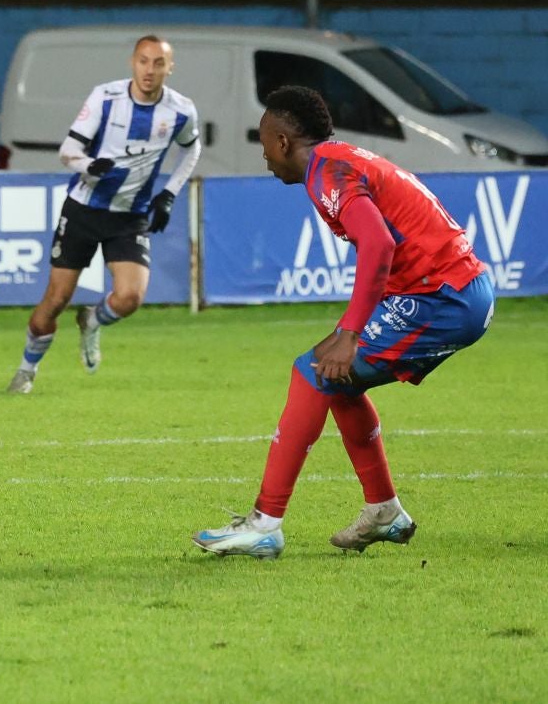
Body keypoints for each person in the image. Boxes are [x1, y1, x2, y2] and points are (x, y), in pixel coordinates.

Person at [193, 86, 494, 559]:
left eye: (264, 142)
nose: (265, 156)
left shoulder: (326, 173)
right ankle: (384, 511)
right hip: (446, 290)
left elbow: (379, 244)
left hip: (444, 296)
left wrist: (350, 332)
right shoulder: (338, 160)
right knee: (337, 380)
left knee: (312, 373)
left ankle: (265, 524)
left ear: (283, 142)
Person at [6, 35, 199, 394]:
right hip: (84, 209)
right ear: (132, 62)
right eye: (144, 61)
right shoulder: (105, 98)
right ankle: (26, 368)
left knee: (130, 298)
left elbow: (192, 148)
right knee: (56, 299)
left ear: (169, 68)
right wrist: (89, 165)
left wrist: (169, 194)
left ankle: (91, 321)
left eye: (158, 63)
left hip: (130, 216)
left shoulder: (181, 111)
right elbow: (68, 150)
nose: (150, 70)